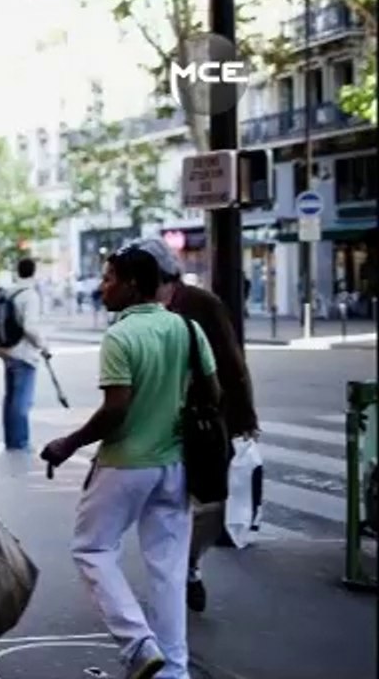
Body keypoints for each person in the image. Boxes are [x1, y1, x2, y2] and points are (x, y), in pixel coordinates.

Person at [41, 246, 220, 679]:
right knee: (169, 570)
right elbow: (213, 393)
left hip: (124, 464)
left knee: (92, 548)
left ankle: (138, 643)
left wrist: (70, 442)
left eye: (109, 279)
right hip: (175, 466)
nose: (103, 287)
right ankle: (173, 671)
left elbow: (116, 407)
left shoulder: (121, 337)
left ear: (132, 284)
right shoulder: (188, 329)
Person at [131, 237, 259, 613]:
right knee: (167, 503)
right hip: (157, 422)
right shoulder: (140, 309)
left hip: (201, 420)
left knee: (210, 503)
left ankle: (187, 563)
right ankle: (176, 575)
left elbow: (232, 363)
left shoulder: (201, 305)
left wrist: (243, 416)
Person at [0, 257, 50, 451]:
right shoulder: (30, 295)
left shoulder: (10, 292)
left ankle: (11, 440)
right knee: (21, 400)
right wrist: (43, 345)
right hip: (24, 353)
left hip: (7, 351)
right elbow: (30, 327)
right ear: (34, 272)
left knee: (10, 398)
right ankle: (20, 442)